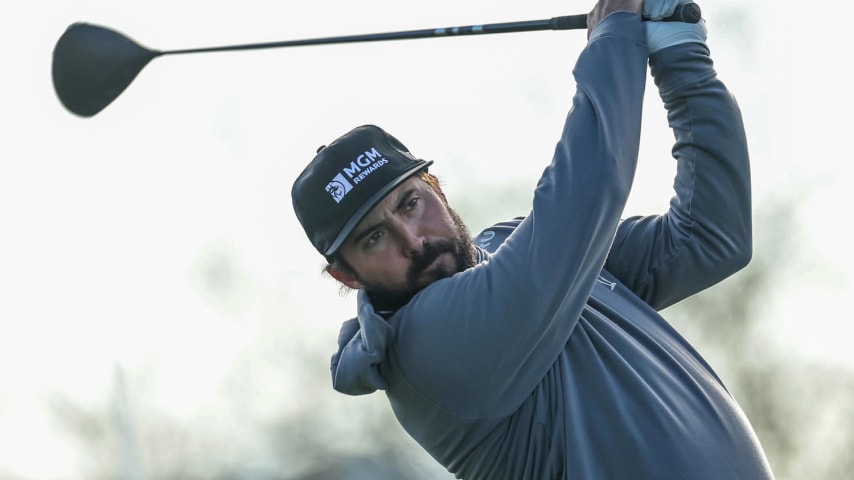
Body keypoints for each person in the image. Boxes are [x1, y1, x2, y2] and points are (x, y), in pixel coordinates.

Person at [290, 0, 775, 477]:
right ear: (347, 275)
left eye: (410, 204)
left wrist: (679, 51)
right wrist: (615, 35)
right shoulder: (422, 346)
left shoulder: (508, 247)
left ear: (435, 187)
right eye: (374, 239)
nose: (412, 241)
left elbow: (708, 239)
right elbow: (586, 191)